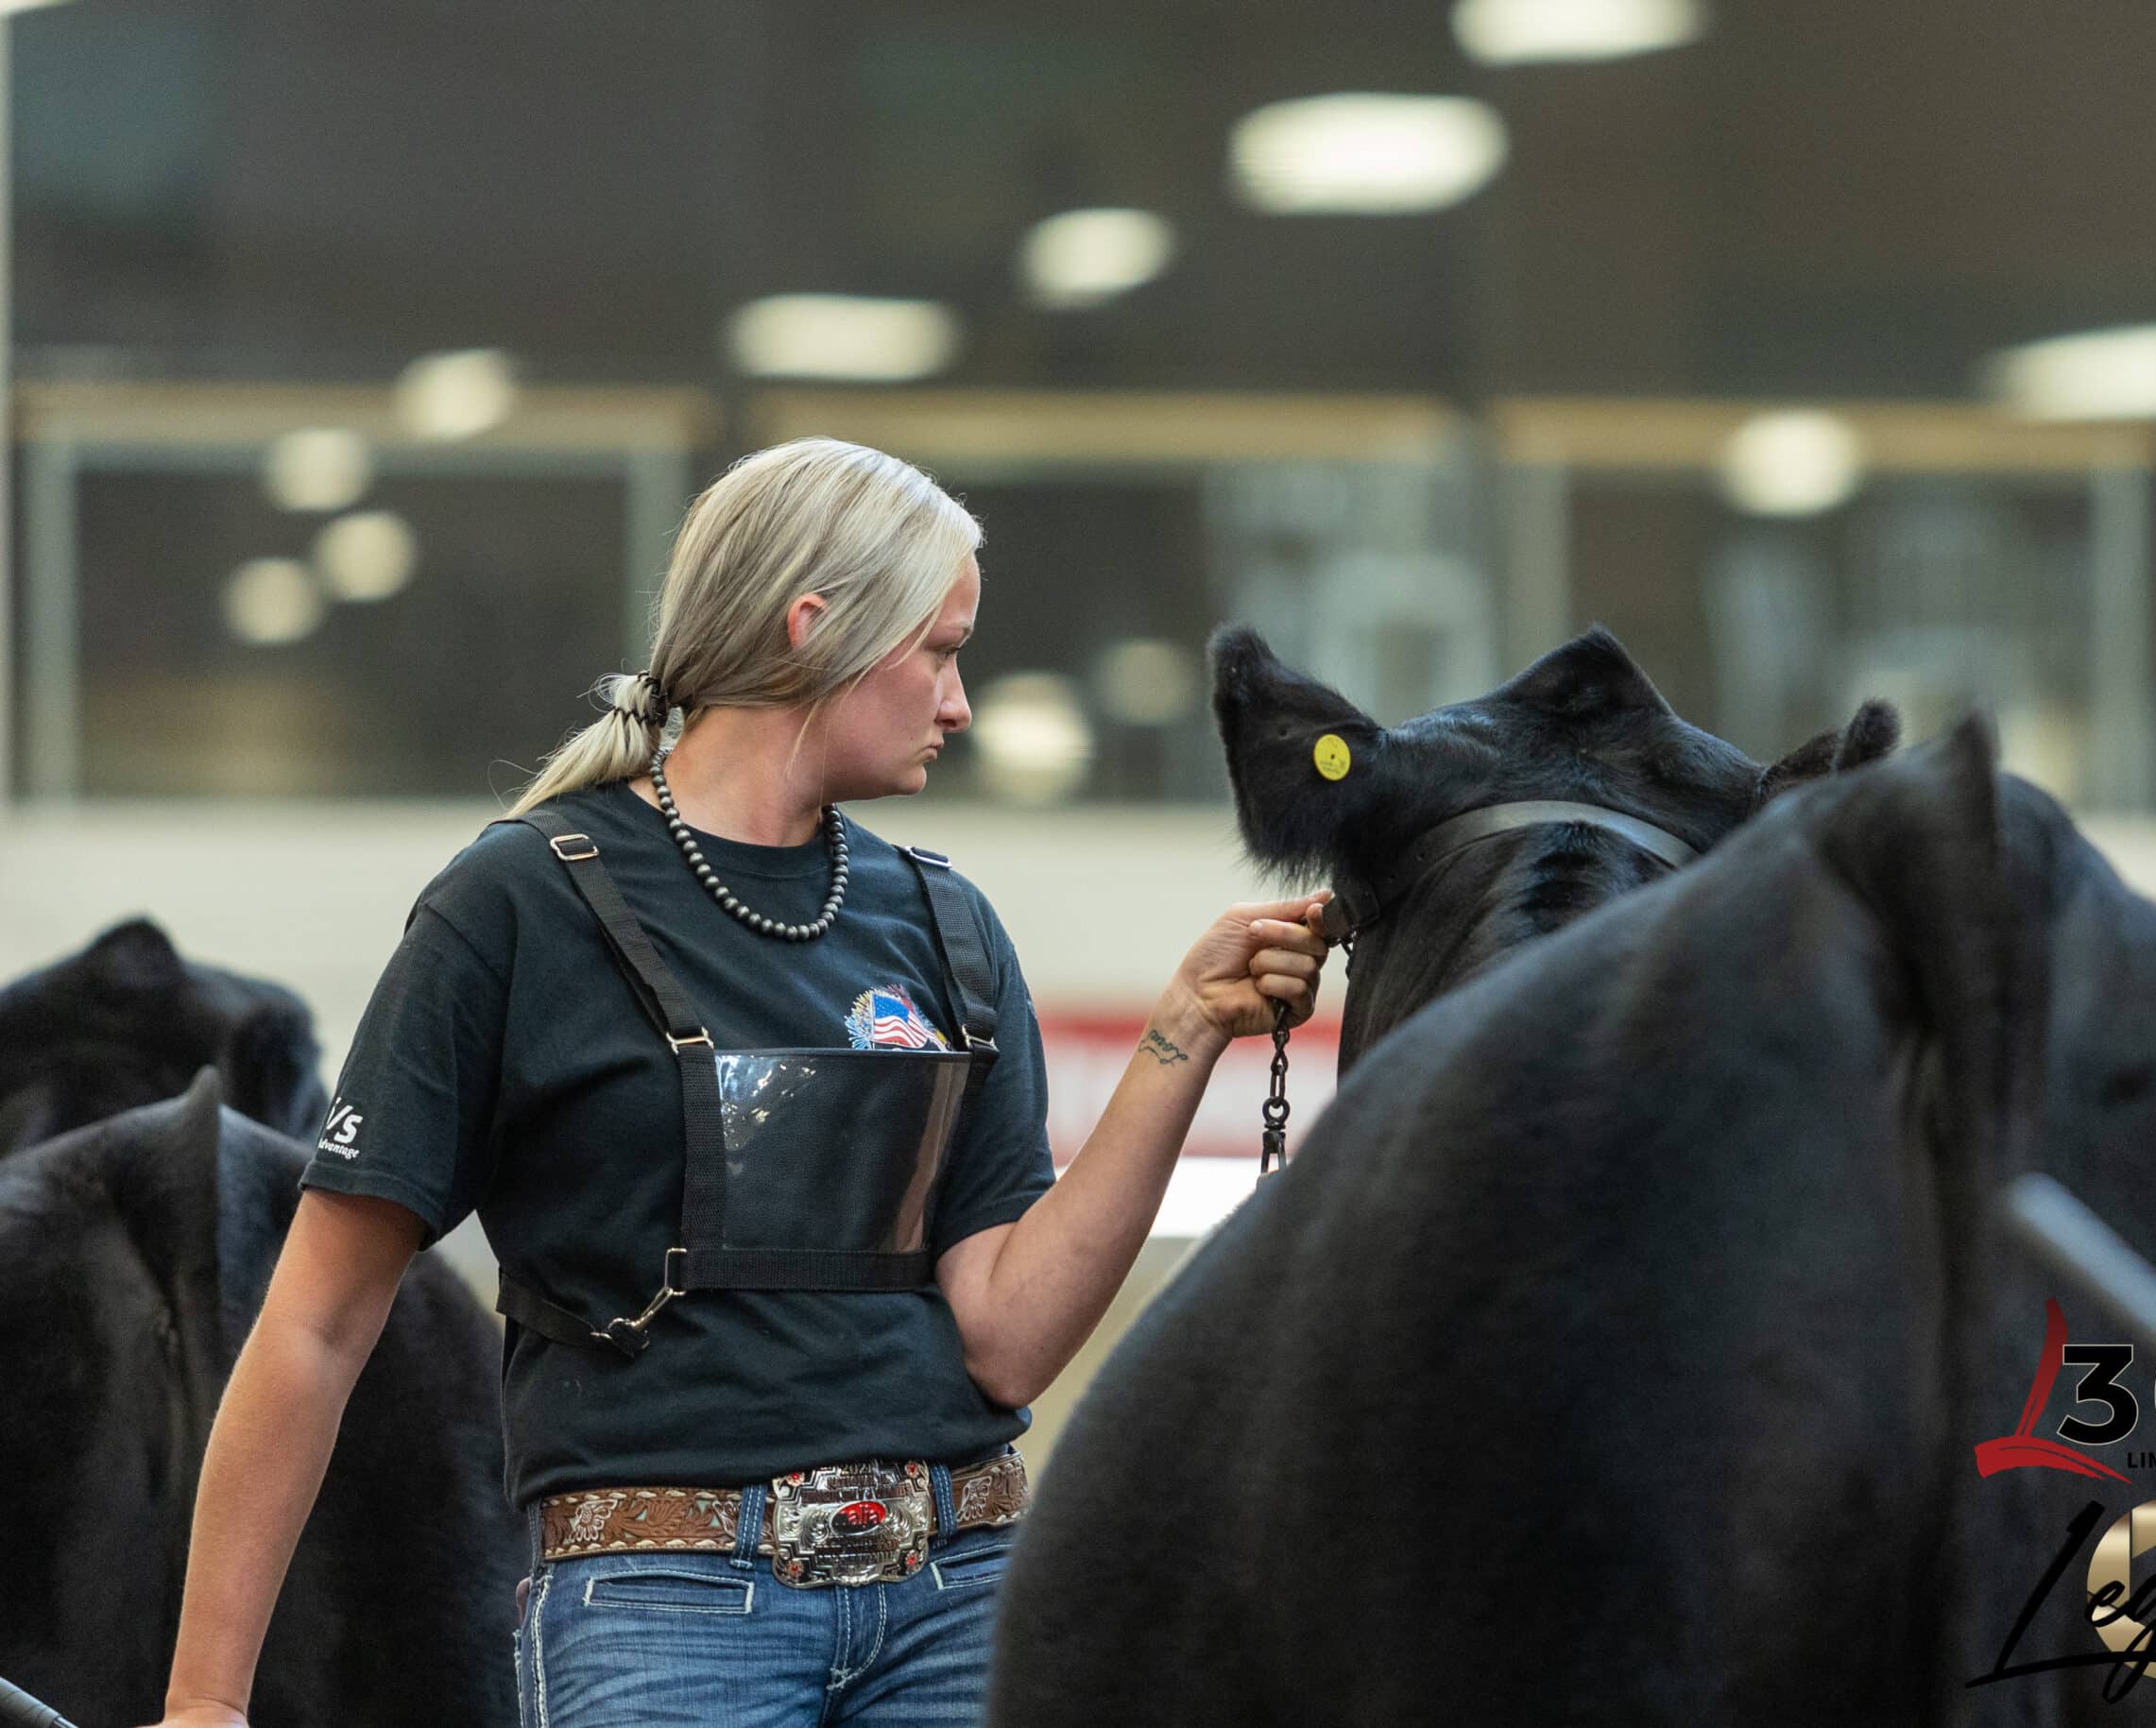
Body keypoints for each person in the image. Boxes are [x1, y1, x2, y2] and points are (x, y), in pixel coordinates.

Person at [149, 437, 1331, 1727]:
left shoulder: (946, 924)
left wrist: (1181, 1032)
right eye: (939, 651)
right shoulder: (513, 908)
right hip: (657, 1610)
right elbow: (317, 1320)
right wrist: (207, 1701)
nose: (962, 702)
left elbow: (1009, 1331)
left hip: (959, 1593)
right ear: (814, 628)